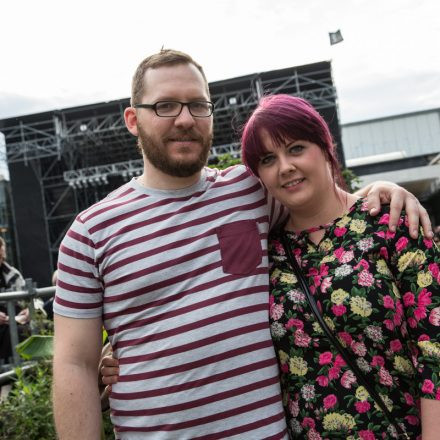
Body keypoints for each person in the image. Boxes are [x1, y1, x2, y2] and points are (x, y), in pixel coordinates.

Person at [53, 49, 432, 440]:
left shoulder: (252, 191)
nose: (185, 119)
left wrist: (381, 192)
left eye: (198, 105)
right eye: (165, 106)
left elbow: (327, 207)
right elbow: (74, 365)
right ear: (133, 119)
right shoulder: (91, 232)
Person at [240, 94, 440, 439]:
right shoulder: (266, 255)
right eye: (268, 159)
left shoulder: (392, 224)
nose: (284, 166)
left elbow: (435, 351)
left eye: (296, 148)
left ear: (324, 145)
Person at [0, 237, 28, 363]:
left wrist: (30, 310)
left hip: (14, 324)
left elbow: (34, 299)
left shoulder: (13, 274)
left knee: (29, 329)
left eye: (1, 257)